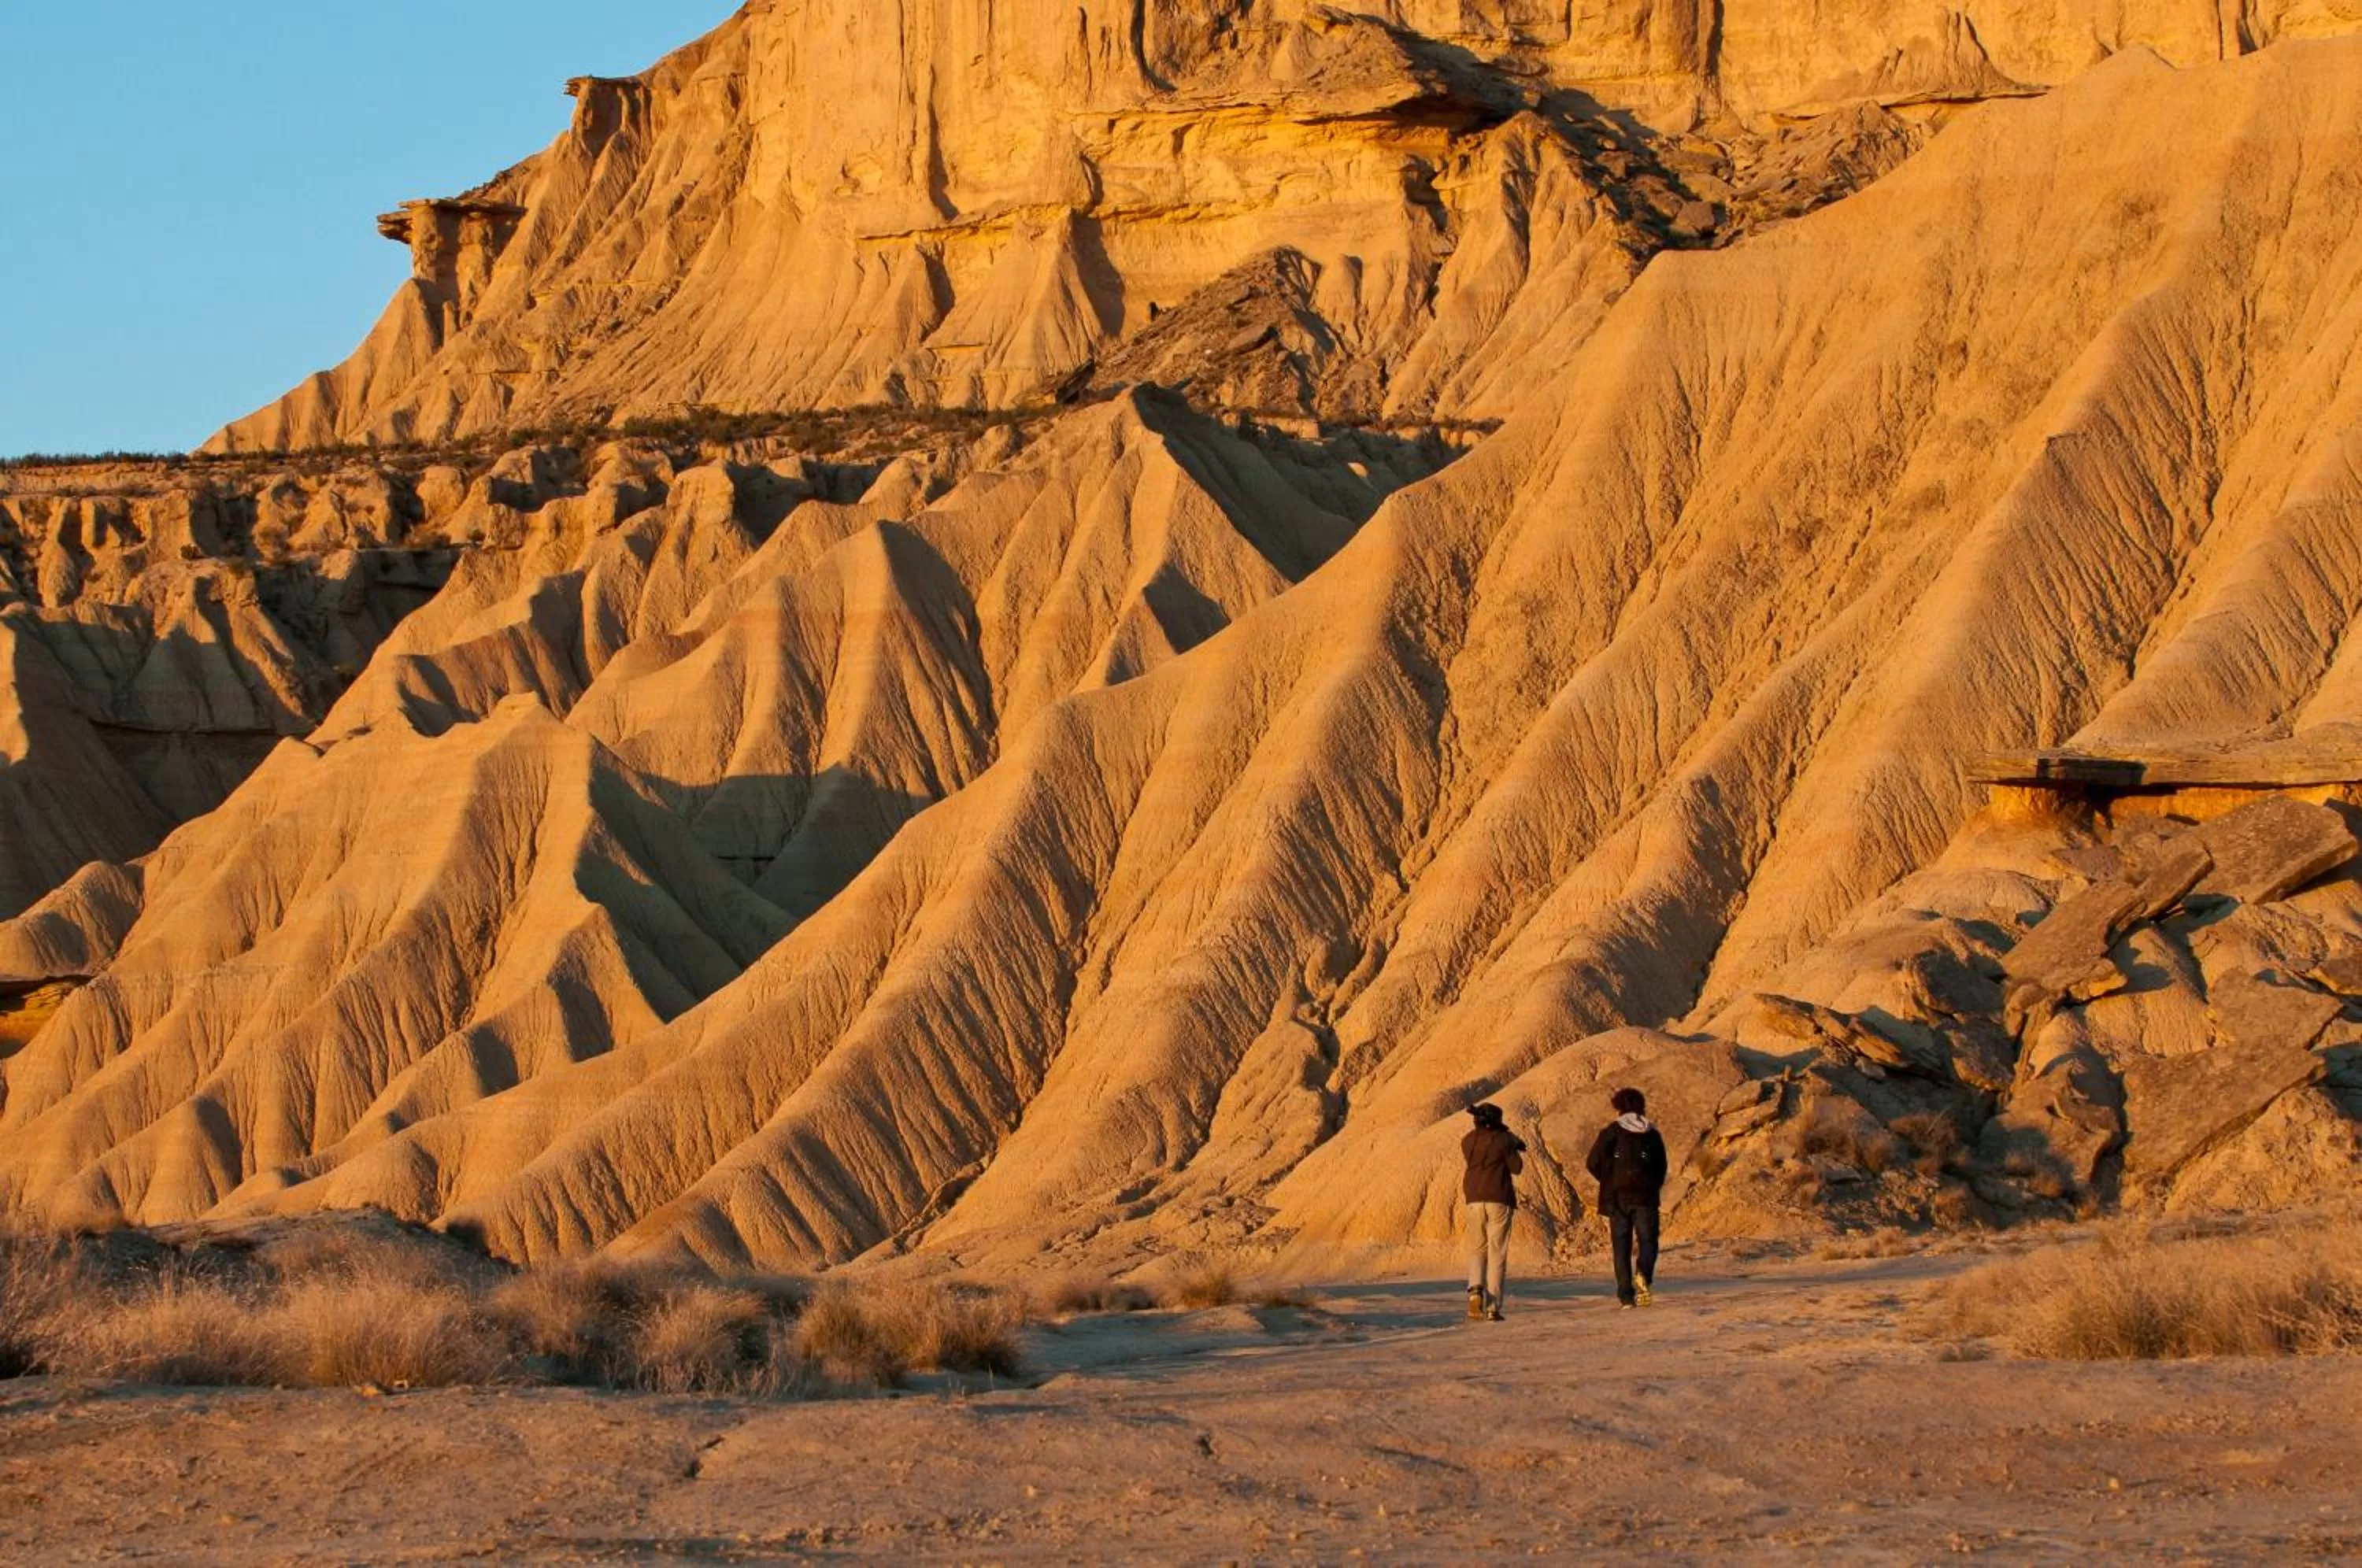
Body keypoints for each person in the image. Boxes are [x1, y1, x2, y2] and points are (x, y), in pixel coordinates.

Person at [1585, 1087, 1668, 1308]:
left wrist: (1608, 1181)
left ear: (1619, 1108)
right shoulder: (1652, 1133)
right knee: (1648, 1241)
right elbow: (1661, 1167)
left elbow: (1592, 1162)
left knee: (1621, 1246)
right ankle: (1644, 1276)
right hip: (1646, 1197)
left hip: (1616, 1198)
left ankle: (1625, 1296)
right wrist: (1652, 1187)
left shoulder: (1611, 1132)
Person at [1461, 1101, 1524, 1322]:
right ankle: (1492, 1307)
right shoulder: (1504, 1140)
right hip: (1498, 1197)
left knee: (1477, 1247)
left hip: (1473, 1198)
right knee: (1497, 1252)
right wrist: (1513, 1145)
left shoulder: (1467, 1140)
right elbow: (1516, 1168)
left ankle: (1475, 1290)